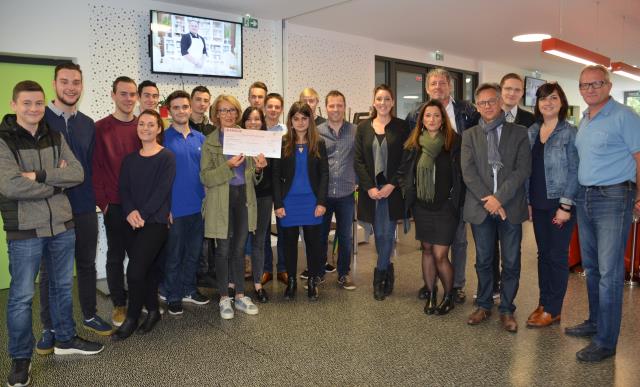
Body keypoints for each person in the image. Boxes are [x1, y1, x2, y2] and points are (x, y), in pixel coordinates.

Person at [1, 80, 103, 387]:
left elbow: (78, 173)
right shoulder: (4, 141)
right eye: (26, 103)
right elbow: (9, 185)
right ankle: (21, 358)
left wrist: (41, 176)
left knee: (61, 287)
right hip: (25, 230)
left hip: (62, 226)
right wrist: (58, 184)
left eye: (38, 103)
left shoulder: (55, 135)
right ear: (14, 105)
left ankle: (66, 338)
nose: (33, 109)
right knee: (21, 297)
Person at [566, 65, 640, 362]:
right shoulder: (585, 119)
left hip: (613, 197)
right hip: (586, 197)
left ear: (608, 85)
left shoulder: (625, 116)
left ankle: (606, 341)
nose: (590, 89)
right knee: (592, 268)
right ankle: (595, 322)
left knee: (610, 274)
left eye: (596, 84)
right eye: (584, 85)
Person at [37, 63, 111, 356]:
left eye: (76, 82)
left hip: (83, 205)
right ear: (54, 84)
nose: (71, 87)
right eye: (65, 82)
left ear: (82, 86)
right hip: (50, 207)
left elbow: (90, 166)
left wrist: (97, 199)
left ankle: (90, 314)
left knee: (86, 264)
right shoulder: (39, 119)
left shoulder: (87, 124)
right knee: (51, 270)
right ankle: (49, 328)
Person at [461, 83, 531, 333]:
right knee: (483, 260)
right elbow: (468, 173)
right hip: (480, 209)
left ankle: (507, 308)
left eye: (492, 101)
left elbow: (522, 170)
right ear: (477, 107)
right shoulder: (470, 135)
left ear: (501, 102)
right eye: (482, 103)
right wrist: (488, 200)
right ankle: (483, 304)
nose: (487, 106)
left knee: (511, 261)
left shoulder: (520, 132)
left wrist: (499, 199)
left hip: (510, 206)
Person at [406, 68, 479, 303]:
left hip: (455, 190)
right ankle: (431, 285)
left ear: (450, 86)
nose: (438, 86)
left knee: (457, 241)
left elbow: (474, 149)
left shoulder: (467, 112)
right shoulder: (416, 114)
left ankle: (456, 286)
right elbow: (410, 157)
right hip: (426, 198)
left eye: (442, 83)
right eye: (433, 83)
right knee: (429, 248)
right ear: (427, 88)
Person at [200, 95, 266, 319]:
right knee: (223, 250)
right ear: (216, 114)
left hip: (243, 199)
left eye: (232, 110)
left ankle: (239, 295)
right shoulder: (210, 142)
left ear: (237, 113)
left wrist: (258, 169)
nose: (228, 115)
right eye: (223, 110)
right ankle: (223, 298)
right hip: (221, 201)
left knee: (239, 250)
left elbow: (253, 178)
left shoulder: (246, 138)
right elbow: (206, 178)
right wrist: (227, 166)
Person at [113, 109, 176, 340]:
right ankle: (152, 311)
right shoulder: (130, 159)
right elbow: (124, 189)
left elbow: (162, 191)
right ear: (137, 128)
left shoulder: (167, 157)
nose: (146, 128)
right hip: (131, 221)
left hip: (155, 222)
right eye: (142, 124)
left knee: (135, 270)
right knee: (146, 270)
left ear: (159, 128)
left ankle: (131, 317)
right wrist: (130, 211)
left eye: (151, 124)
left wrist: (143, 214)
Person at [397, 99, 463, 315]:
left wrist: (456, 201)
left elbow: (461, 175)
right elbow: (403, 172)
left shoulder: (454, 142)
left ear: (443, 119)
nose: (432, 119)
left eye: (436, 115)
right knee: (426, 250)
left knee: (440, 254)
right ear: (421, 120)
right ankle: (431, 294)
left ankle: (449, 295)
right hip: (422, 206)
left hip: (445, 208)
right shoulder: (414, 143)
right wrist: (409, 193)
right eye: (428, 116)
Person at [525, 82, 578, 328]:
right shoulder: (533, 131)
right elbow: (529, 170)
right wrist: (528, 202)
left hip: (559, 205)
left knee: (557, 256)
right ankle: (544, 302)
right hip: (538, 203)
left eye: (553, 98)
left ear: (561, 102)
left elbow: (575, 171)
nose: (548, 102)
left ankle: (554, 309)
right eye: (543, 98)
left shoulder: (569, 132)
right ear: (537, 104)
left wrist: (565, 206)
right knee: (543, 254)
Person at [93, 76, 141, 327]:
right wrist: (105, 203)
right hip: (115, 205)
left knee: (142, 256)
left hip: (142, 206)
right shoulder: (100, 128)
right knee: (115, 256)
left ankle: (139, 301)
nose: (129, 99)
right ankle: (119, 305)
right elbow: (96, 168)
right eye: (123, 94)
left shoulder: (143, 126)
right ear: (113, 95)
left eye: (132, 94)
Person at [354, 84, 409, 301]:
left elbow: (407, 159)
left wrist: (391, 185)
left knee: (386, 234)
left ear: (393, 102)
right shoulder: (363, 127)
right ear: (374, 101)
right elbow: (358, 160)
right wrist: (370, 187)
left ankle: (380, 277)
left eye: (387, 99)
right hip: (372, 192)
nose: (383, 103)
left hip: (391, 191)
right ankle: (388, 270)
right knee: (379, 235)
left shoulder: (402, 127)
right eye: (379, 99)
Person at [272, 101, 329, 301]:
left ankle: (313, 280)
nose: (300, 122)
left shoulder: (319, 142)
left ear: (310, 120)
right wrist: (278, 204)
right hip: (288, 202)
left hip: (312, 202)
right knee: (288, 244)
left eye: (304, 118)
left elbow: (324, 175)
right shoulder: (283, 142)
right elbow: (275, 175)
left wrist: (322, 202)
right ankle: (293, 282)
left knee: (313, 244)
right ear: (290, 121)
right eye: (296, 118)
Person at [160, 90, 209, 317]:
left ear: (191, 109)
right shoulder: (163, 139)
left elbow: (206, 174)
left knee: (194, 252)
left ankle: (189, 289)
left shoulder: (201, 139)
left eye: (185, 107)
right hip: (174, 210)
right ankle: (173, 295)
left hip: (197, 208)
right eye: (176, 107)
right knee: (174, 255)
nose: (181, 111)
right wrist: (164, 208)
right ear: (169, 111)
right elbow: (156, 177)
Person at [317, 90, 357, 289]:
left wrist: (357, 180)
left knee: (345, 236)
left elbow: (361, 158)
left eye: (339, 105)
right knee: (321, 235)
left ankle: (344, 273)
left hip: (346, 193)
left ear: (344, 106)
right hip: (323, 194)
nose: (335, 109)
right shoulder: (317, 131)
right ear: (326, 108)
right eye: (332, 105)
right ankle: (318, 272)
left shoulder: (355, 131)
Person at [241, 107, 271, 302]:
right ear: (244, 122)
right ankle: (236, 285)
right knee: (240, 241)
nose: (253, 123)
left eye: (257, 120)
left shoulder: (270, 142)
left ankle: (258, 284)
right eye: (250, 119)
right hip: (243, 197)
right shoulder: (236, 141)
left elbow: (275, 173)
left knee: (259, 241)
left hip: (264, 196)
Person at [261, 92, 288, 285]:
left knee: (283, 227)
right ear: (264, 108)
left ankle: (283, 269)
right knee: (262, 229)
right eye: (270, 106)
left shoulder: (287, 131)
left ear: (281, 109)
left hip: (281, 184)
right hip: (261, 184)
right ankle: (266, 269)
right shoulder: (256, 128)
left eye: (277, 107)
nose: (273, 110)